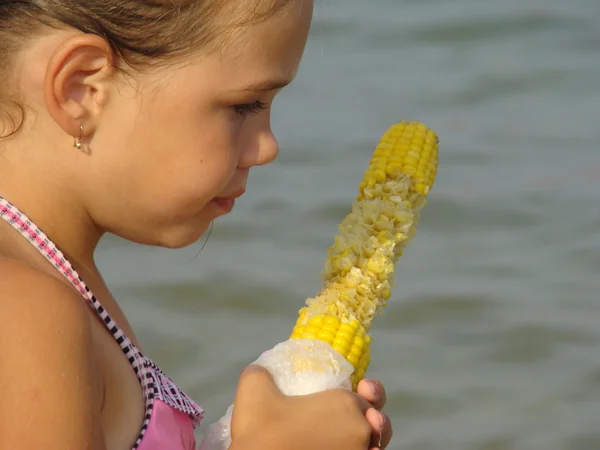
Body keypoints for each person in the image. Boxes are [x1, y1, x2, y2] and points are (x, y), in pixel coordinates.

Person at [0, 1, 394, 449]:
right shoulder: (25, 310)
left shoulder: (49, 277)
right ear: (83, 88)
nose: (268, 147)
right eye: (245, 105)